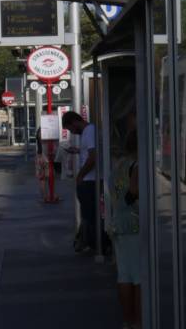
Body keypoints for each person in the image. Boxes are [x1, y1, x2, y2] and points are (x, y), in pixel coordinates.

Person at [109, 126, 140, 329]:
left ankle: (128, 321)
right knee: (138, 277)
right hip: (133, 224)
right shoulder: (136, 165)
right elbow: (134, 190)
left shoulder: (119, 164)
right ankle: (139, 321)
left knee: (124, 275)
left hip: (118, 223)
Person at [62, 111, 106, 253]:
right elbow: (89, 153)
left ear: (74, 122)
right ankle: (88, 240)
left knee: (89, 214)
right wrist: (78, 151)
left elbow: (93, 157)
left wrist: (80, 175)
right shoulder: (88, 132)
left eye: (70, 129)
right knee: (88, 213)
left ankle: (93, 242)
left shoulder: (90, 131)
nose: (72, 132)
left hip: (90, 180)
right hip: (90, 180)